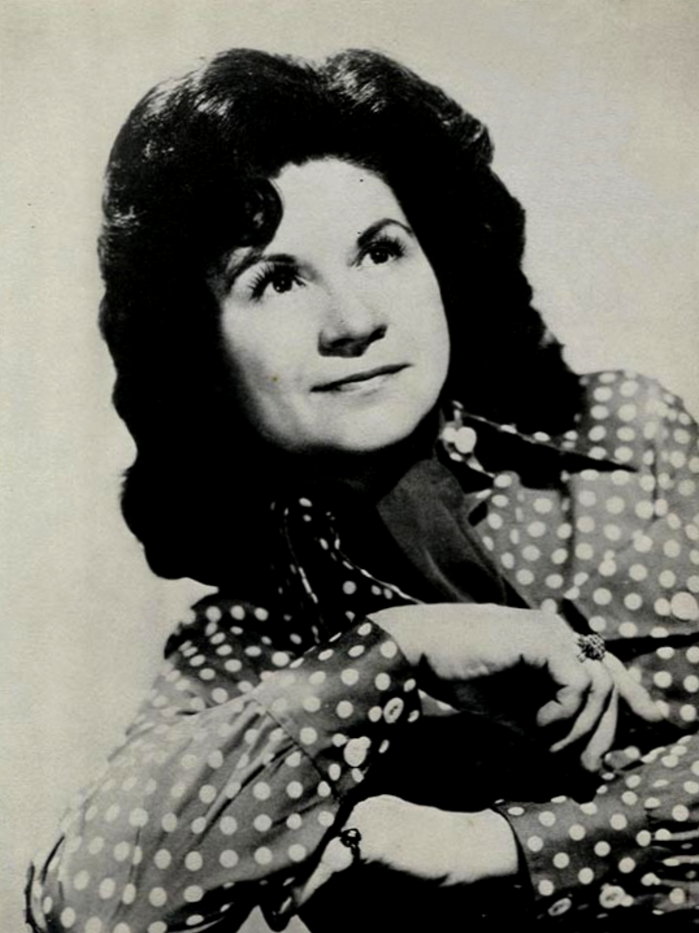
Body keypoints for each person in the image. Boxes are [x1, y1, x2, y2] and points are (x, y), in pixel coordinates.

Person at [26, 48, 699, 933]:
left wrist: (501, 845)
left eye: (380, 251)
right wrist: (400, 647)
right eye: (276, 279)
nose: (354, 322)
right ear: (199, 351)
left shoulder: (623, 438)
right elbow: (88, 907)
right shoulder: (254, 639)